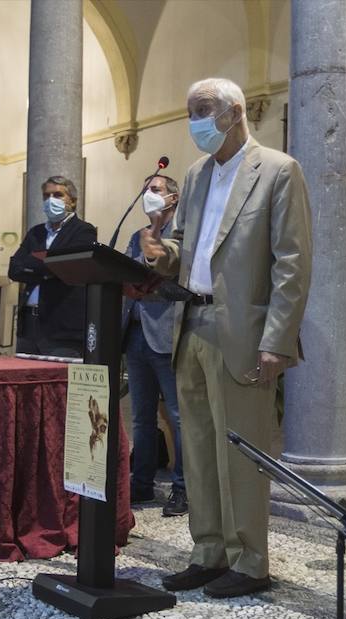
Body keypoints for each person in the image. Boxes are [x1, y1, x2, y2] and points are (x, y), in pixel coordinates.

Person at [141, 77, 312, 599]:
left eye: (205, 110)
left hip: (243, 331)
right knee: (196, 447)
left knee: (242, 450)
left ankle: (250, 560)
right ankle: (208, 551)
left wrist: (277, 340)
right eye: (190, 110)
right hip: (190, 323)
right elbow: (186, 245)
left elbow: (293, 263)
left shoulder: (278, 170)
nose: (195, 120)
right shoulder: (194, 175)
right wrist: (161, 251)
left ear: (235, 111)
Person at [123, 175, 187, 516]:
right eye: (145, 189)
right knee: (141, 419)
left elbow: (178, 281)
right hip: (135, 334)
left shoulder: (181, 234)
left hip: (166, 333)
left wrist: (146, 286)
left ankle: (182, 488)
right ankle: (141, 484)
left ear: (173, 198)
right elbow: (123, 274)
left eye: (156, 190)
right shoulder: (136, 237)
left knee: (178, 417)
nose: (148, 195)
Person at [7, 176, 97, 358]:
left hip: (62, 327)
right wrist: (47, 268)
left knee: (58, 382)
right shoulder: (36, 232)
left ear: (72, 201)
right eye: (46, 196)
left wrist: (35, 265)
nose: (51, 200)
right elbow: (15, 269)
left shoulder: (84, 231)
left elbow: (68, 267)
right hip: (29, 325)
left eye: (58, 195)